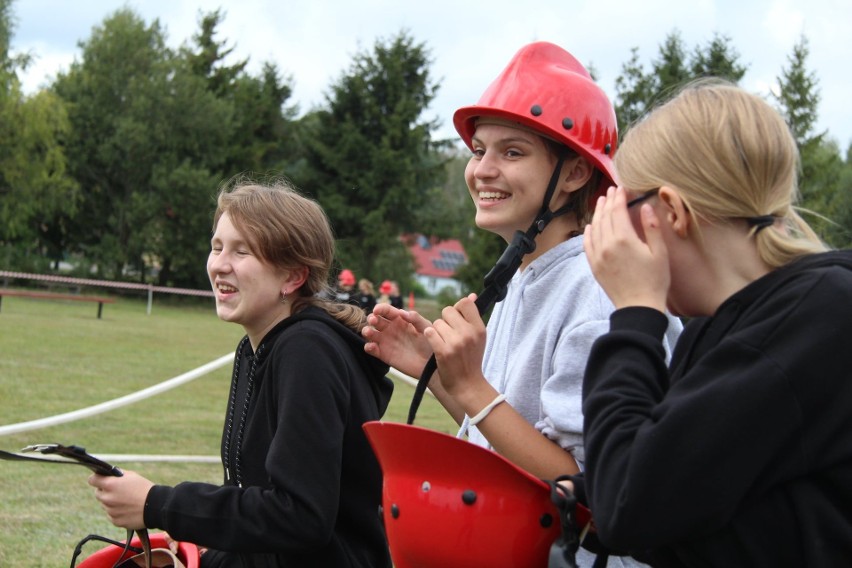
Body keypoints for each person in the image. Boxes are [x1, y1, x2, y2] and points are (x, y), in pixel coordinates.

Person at [363, 42, 681, 567]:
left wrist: (470, 384)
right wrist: (437, 371)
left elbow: (588, 488)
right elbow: (513, 438)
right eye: (478, 150)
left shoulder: (596, 290)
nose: (482, 170)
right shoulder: (526, 274)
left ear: (576, 173)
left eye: (511, 152)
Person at [573, 80, 852, 566]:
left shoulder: (819, 316)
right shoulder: (730, 325)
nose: (613, 227)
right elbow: (680, 482)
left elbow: (631, 506)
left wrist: (636, 312)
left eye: (625, 206)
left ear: (673, 212)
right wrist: (587, 487)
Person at [89, 180, 394, 568]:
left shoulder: (306, 351)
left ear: (292, 277)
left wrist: (158, 504)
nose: (219, 264)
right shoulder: (260, 345)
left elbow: (300, 518)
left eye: (242, 251)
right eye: (217, 247)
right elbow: (256, 505)